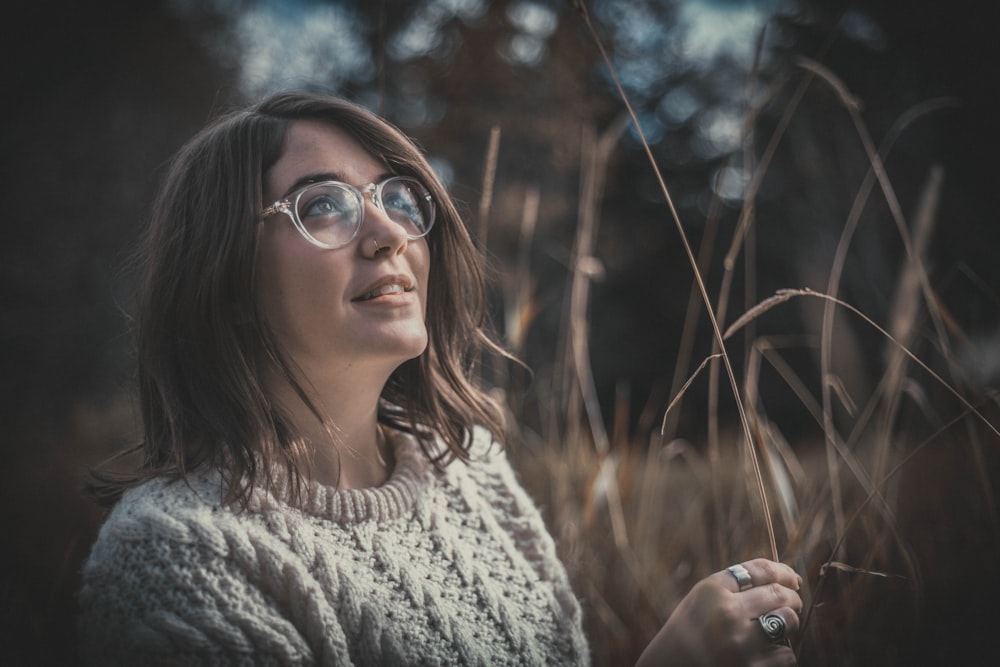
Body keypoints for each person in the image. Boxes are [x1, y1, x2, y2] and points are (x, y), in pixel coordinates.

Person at [78, 91, 802, 665]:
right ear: (225, 275)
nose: (389, 231)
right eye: (323, 203)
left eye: (397, 198)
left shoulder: (468, 466)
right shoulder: (174, 555)